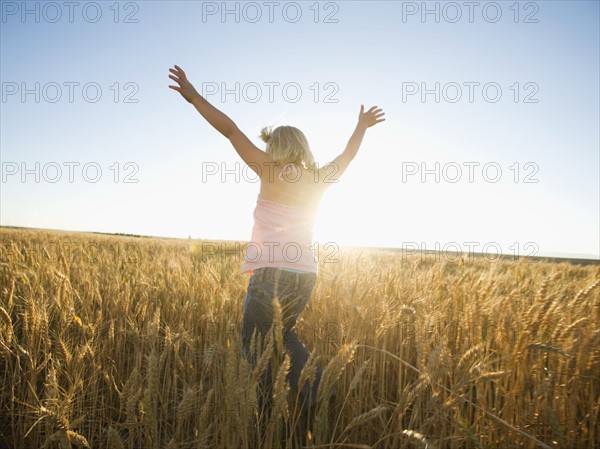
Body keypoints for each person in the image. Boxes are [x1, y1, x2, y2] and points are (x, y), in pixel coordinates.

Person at [168, 64, 385, 444]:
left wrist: (193, 96)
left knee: (255, 342)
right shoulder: (317, 179)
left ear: (277, 148)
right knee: (285, 335)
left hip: (270, 272)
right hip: (305, 274)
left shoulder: (269, 170)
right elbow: (347, 157)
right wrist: (360, 127)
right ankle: (318, 385)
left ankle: (271, 411)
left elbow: (230, 129)